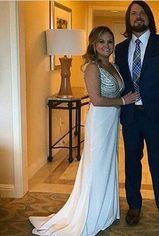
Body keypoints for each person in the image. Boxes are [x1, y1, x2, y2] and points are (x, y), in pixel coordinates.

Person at [29, 26, 139, 236]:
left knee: (109, 163)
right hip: (99, 121)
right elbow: (96, 100)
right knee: (96, 165)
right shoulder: (91, 68)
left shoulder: (114, 66)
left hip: (112, 120)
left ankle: (106, 210)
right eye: (101, 42)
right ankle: (91, 212)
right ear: (93, 45)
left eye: (109, 41)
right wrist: (125, 100)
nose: (106, 46)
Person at [115, 1, 159, 232]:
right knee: (132, 164)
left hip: (158, 118)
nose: (138, 16)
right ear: (128, 19)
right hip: (131, 117)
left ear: (149, 17)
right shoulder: (121, 49)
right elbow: (120, 82)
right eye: (133, 13)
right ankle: (134, 206)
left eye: (142, 12)